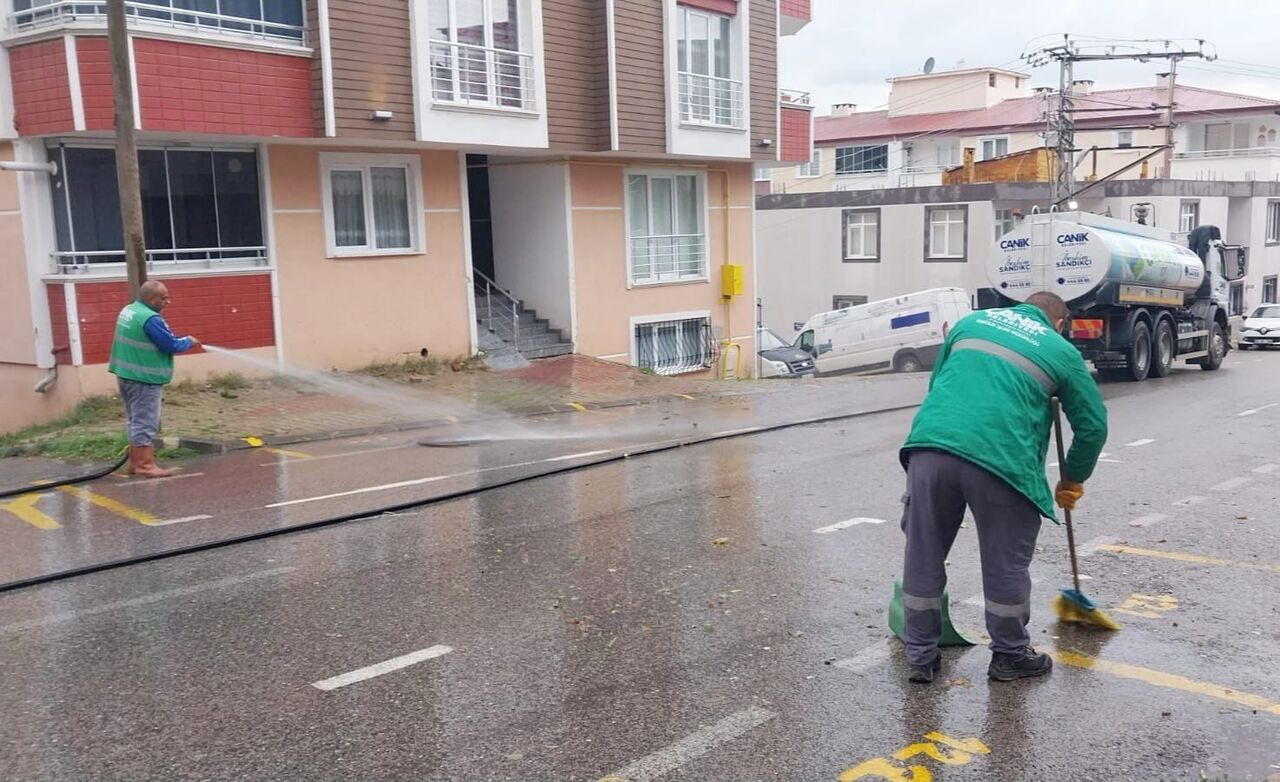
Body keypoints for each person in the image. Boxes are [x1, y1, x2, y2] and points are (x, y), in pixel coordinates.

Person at [897, 291, 1107, 684]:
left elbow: (939, 384)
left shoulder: (969, 323)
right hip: (1002, 462)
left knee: (923, 552)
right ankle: (1009, 656)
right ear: (1058, 322)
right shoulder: (1060, 350)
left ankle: (920, 655)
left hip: (930, 449)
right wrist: (1072, 479)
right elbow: (1093, 426)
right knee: (1004, 563)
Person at [108, 280, 200, 478]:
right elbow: (169, 344)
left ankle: (135, 463)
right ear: (150, 298)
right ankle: (145, 465)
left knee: (135, 420)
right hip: (144, 377)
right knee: (145, 422)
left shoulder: (130, 310)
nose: (168, 301)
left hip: (126, 374)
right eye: (163, 298)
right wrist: (188, 341)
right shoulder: (150, 319)